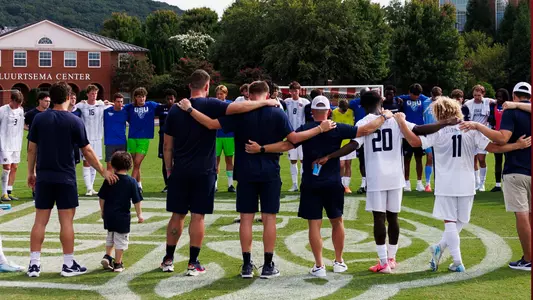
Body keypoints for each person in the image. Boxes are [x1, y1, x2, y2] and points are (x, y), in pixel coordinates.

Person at [177, 82, 336, 279]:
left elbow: (210, 124)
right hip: (269, 171)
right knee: (269, 218)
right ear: (268, 94)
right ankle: (268, 265)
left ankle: (246, 265)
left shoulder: (241, 114)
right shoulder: (277, 113)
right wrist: (320, 129)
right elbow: (293, 139)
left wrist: (190, 109)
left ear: (249, 96)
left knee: (246, 218)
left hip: (245, 171)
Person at [245, 95, 394, 277]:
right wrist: (384, 116)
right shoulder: (336, 127)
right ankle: (339, 261)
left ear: (312, 111)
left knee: (314, 225)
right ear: (329, 111)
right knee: (337, 222)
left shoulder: (306, 128)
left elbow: (286, 145)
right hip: (332, 182)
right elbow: (365, 130)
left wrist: (262, 148)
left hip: (311, 182)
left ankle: (319, 265)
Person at [316, 91, 459, 274]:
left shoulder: (363, 122)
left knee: (379, 218)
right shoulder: (394, 118)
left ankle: (383, 262)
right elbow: (420, 129)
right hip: (395, 176)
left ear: (362, 105)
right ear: (380, 101)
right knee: (393, 217)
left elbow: (353, 145)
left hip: (376, 176)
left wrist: (330, 156)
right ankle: (391, 259)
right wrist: (444, 122)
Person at [161, 70, 281, 276]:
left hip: (180, 169)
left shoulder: (175, 110)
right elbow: (240, 106)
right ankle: (193, 262)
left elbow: (166, 146)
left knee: (177, 215)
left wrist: (170, 169)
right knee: (197, 216)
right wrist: (266, 102)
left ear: (190, 86)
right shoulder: (212, 104)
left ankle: (168, 258)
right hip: (204, 170)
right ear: (207, 87)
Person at [397, 96, 531, 272]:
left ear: (438, 113)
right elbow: (494, 148)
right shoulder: (470, 129)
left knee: (451, 222)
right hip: (467, 181)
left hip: (446, 182)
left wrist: (401, 123)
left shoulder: (437, 131)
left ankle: (457, 261)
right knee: (459, 221)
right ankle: (443, 251)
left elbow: (414, 141)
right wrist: (517, 145)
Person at [26, 81, 117, 278]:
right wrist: (103, 171)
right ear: (68, 97)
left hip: (44, 176)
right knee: (66, 222)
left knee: (40, 221)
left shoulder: (39, 119)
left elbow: (32, 148)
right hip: (65, 177)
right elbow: (88, 150)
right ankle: (68, 263)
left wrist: (30, 172)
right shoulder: (74, 121)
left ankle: (34, 264)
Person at [459, 82, 532, 271]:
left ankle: (528, 259)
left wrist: (477, 126)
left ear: (514, 95)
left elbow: (501, 138)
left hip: (517, 169)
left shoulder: (511, 112)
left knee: (522, 215)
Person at [98, 151, 144, 273]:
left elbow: (102, 197)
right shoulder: (131, 182)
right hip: (122, 216)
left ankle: (107, 256)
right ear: (129, 166)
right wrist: (139, 215)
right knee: (121, 240)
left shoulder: (109, 179)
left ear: (113, 165)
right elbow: (137, 200)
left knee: (110, 235)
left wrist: (102, 211)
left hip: (109, 214)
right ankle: (118, 263)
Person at [123, 87, 160, 193]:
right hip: (132, 138)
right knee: (135, 163)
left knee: (137, 162)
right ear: (135, 98)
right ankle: (139, 185)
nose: (142, 99)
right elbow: (118, 105)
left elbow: (165, 107)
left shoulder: (151, 105)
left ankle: (130, 187)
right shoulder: (130, 107)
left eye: (143, 96)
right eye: (139, 97)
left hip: (144, 138)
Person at [76, 84, 111, 196]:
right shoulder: (82, 105)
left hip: (97, 139)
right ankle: (88, 188)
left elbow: (116, 106)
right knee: (87, 162)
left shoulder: (101, 104)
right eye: (91, 93)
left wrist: (109, 102)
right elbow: (71, 108)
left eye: (95, 93)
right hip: (86, 139)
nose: (94, 95)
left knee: (95, 162)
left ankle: (91, 187)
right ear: (87, 94)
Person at [462, 85, 497, 191]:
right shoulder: (468, 104)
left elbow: (498, 102)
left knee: (481, 159)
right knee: (472, 160)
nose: (477, 97)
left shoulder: (488, 102)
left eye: (479, 95)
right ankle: (476, 182)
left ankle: (482, 183)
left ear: (483, 94)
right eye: (475, 95)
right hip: (471, 134)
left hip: (483, 134)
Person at [398, 83, 429, 192]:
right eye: (413, 95)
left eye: (417, 95)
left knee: (419, 158)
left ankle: (419, 183)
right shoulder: (403, 99)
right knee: (407, 159)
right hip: (407, 131)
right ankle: (406, 183)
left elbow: (433, 99)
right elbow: (393, 98)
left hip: (419, 131)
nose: (415, 97)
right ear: (409, 92)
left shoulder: (424, 99)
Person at [284, 81, 310, 192]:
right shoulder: (286, 102)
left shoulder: (305, 102)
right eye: (292, 90)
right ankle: (294, 184)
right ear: (289, 91)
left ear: (299, 90)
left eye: (296, 90)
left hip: (302, 135)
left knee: (304, 160)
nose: (294, 92)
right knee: (293, 160)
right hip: (291, 134)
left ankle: (304, 183)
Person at [0, 91, 25, 202]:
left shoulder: (20, 110)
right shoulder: (2, 110)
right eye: (17, 103)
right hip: (4, 143)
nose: (18, 105)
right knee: (7, 168)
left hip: (16, 143)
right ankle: (4, 193)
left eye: (20, 103)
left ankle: (9, 192)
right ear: (12, 100)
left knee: (14, 167)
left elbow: (21, 125)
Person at [331, 99, 356, 193]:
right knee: (341, 165)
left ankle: (346, 186)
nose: (345, 110)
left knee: (348, 164)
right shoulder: (334, 112)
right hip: (339, 143)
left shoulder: (351, 112)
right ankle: (340, 184)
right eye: (343, 109)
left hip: (350, 142)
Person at [349, 87, 371, 194]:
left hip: (372, 134)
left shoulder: (373, 103)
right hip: (360, 134)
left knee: (372, 160)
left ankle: (370, 183)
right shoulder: (355, 103)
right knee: (362, 160)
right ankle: (364, 183)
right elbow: (345, 105)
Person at [214, 85, 236, 192]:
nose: (219, 96)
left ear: (225, 94)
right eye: (217, 94)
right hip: (216, 136)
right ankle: (214, 185)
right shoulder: (212, 104)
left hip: (229, 136)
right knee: (215, 160)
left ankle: (230, 185)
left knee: (229, 159)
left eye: (221, 94)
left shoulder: (231, 104)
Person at [421, 86, 443, 193]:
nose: (435, 99)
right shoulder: (425, 102)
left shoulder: (444, 103)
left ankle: (440, 183)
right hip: (428, 134)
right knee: (429, 158)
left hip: (441, 134)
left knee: (440, 159)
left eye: (437, 96)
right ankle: (428, 183)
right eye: (433, 96)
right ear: (431, 94)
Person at [488, 88, 509, 192]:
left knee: (508, 161)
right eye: (498, 97)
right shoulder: (494, 106)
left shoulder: (509, 107)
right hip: (497, 135)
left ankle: (507, 184)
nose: (499, 99)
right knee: (498, 161)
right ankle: (497, 185)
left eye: (501, 97)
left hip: (508, 136)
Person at [156, 89, 176, 193]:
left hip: (176, 138)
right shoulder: (160, 108)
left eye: (171, 99)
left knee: (177, 161)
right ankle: (167, 184)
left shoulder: (178, 108)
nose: (169, 101)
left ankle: (177, 184)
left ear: (175, 99)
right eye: (168, 99)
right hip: (163, 138)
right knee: (165, 161)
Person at [103, 93, 128, 171]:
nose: (120, 103)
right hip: (110, 142)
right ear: (113, 102)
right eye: (118, 101)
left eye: (121, 101)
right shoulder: (106, 111)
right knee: (109, 167)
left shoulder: (125, 112)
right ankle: (110, 183)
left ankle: (121, 183)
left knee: (121, 167)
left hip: (122, 142)